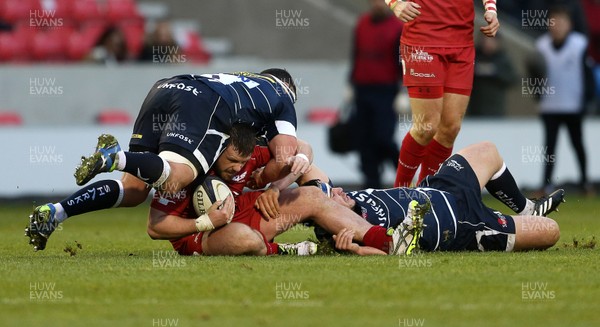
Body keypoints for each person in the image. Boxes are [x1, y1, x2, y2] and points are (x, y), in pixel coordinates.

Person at [25, 69, 310, 251]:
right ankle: (117, 157)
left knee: (135, 190)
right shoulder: (282, 99)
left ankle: (57, 211)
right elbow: (283, 155)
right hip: (202, 103)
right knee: (178, 176)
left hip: (166, 88)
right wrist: (268, 178)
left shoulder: (247, 82)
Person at [151, 140, 565, 256]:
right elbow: (325, 215)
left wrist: (283, 185)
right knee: (550, 231)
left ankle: (525, 205)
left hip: (435, 191)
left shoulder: (333, 201)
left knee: (488, 151)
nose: (333, 201)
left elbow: (311, 173)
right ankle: (498, 231)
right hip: (457, 228)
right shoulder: (342, 232)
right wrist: (363, 246)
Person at [386, 0, 500, 187]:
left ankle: (427, 197)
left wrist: (491, 9)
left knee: (450, 129)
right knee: (426, 126)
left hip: (462, 43)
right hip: (423, 40)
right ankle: (400, 194)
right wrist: (395, 3)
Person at [534, 7, 596, 195]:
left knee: (577, 145)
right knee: (549, 149)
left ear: (569, 25)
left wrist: (587, 100)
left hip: (573, 105)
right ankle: (546, 184)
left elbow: (588, 74)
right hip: (550, 106)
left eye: (561, 22)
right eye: (554, 22)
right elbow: (536, 75)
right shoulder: (541, 45)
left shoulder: (579, 45)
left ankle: (585, 182)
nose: (557, 26)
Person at [350, 0, 404, 188]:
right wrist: (350, 84)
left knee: (383, 138)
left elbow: (402, 62)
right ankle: (371, 187)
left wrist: (403, 91)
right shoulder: (362, 23)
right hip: (362, 88)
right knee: (364, 141)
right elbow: (356, 54)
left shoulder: (398, 27)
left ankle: (404, 177)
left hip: (386, 90)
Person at [467, 34, 516, 117]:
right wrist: (477, 70)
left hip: (495, 109)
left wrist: (495, 71)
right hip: (475, 108)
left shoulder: (502, 59)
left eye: (491, 41)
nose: (487, 44)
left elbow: (513, 79)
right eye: (485, 40)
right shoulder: (473, 56)